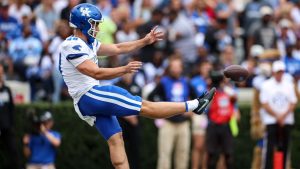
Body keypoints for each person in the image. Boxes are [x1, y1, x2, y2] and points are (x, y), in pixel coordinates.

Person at [58, 3, 215, 169]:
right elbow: (95, 73)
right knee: (146, 107)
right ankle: (196, 105)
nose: (97, 28)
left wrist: (145, 41)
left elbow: (118, 47)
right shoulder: (72, 45)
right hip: (89, 95)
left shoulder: (87, 44)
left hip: (87, 99)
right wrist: (123, 70)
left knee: (116, 138)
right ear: (83, 24)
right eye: (94, 24)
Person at [148, 55, 196, 169]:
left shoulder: (186, 82)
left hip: (183, 123)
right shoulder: (164, 82)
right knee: (164, 155)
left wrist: (191, 111)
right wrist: (160, 111)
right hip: (168, 122)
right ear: (169, 68)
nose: (175, 69)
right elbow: (151, 97)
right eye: (173, 66)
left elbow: (196, 99)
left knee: (183, 155)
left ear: (181, 68)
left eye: (177, 66)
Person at [259, 60, 297, 169]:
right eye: (277, 72)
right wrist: (277, 116)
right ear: (273, 72)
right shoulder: (266, 85)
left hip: (286, 121)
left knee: (285, 148)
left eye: (281, 72)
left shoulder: (289, 85)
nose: (279, 74)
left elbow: (293, 102)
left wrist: (283, 116)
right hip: (271, 121)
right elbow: (264, 103)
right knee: (269, 149)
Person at [205, 70, 236, 169]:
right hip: (213, 125)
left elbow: (234, 98)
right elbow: (206, 108)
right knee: (211, 154)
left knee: (228, 154)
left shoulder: (228, 91)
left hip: (226, 125)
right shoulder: (210, 92)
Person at [0, 63, 21, 169]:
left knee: (13, 152)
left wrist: (11, 125)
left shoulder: (7, 90)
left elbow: (11, 109)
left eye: (2, 72)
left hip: (7, 127)